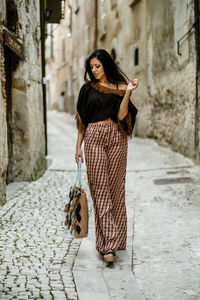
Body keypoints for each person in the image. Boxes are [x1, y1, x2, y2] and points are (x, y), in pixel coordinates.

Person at [75, 49, 138, 263]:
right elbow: (82, 121)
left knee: (116, 190)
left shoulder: (120, 87)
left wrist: (128, 91)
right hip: (93, 137)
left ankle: (117, 240)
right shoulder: (87, 89)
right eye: (91, 67)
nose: (93, 70)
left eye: (97, 66)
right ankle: (108, 245)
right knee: (101, 190)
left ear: (106, 65)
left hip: (117, 138)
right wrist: (78, 147)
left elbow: (121, 116)